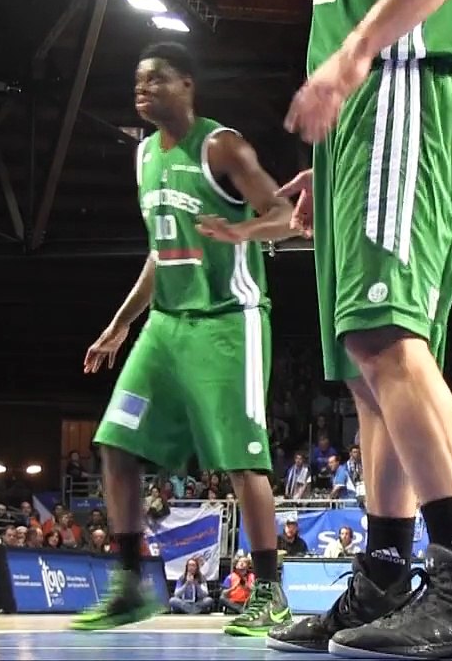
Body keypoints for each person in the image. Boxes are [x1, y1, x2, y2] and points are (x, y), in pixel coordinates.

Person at [269, 0, 452, 658]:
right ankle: (384, 574)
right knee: (366, 368)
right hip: (368, 112)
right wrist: (331, 165)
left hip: (398, 86)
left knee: (385, 338)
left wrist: (354, 57)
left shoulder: (385, 62)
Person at [72, 42, 296, 636]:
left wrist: (241, 231)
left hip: (228, 320)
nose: (142, 88)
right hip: (165, 324)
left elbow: (284, 215)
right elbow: (160, 250)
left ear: (187, 85)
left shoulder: (222, 146)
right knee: (116, 442)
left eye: (156, 78)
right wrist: (121, 323)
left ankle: (269, 592)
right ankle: (129, 585)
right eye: (137, 81)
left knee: (242, 461)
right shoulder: (143, 155)